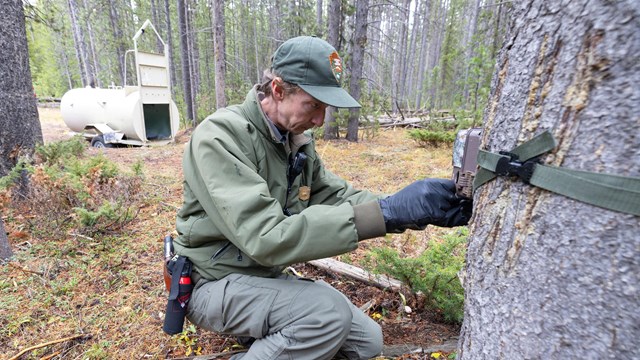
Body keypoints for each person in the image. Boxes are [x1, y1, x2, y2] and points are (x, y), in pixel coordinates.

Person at [174, 36, 471, 360]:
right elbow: (266, 237)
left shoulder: (295, 142)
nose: (320, 120)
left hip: (264, 277)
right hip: (213, 283)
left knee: (366, 342)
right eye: (313, 105)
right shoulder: (220, 137)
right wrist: (388, 213)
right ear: (277, 90)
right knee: (326, 316)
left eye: (325, 108)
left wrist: (409, 207)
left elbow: (334, 195)